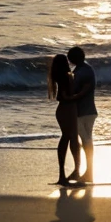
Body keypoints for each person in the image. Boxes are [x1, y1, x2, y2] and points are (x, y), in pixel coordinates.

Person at [47, 52, 81, 186]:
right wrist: (79, 95)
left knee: (67, 138)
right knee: (71, 138)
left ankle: (65, 174)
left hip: (63, 110)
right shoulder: (66, 77)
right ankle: (73, 171)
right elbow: (65, 96)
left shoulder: (58, 76)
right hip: (68, 109)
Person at [67, 46, 97, 184]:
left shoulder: (83, 71)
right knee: (84, 140)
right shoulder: (82, 69)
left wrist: (71, 98)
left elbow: (84, 89)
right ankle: (82, 171)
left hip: (83, 111)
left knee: (86, 141)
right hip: (86, 110)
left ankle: (89, 172)